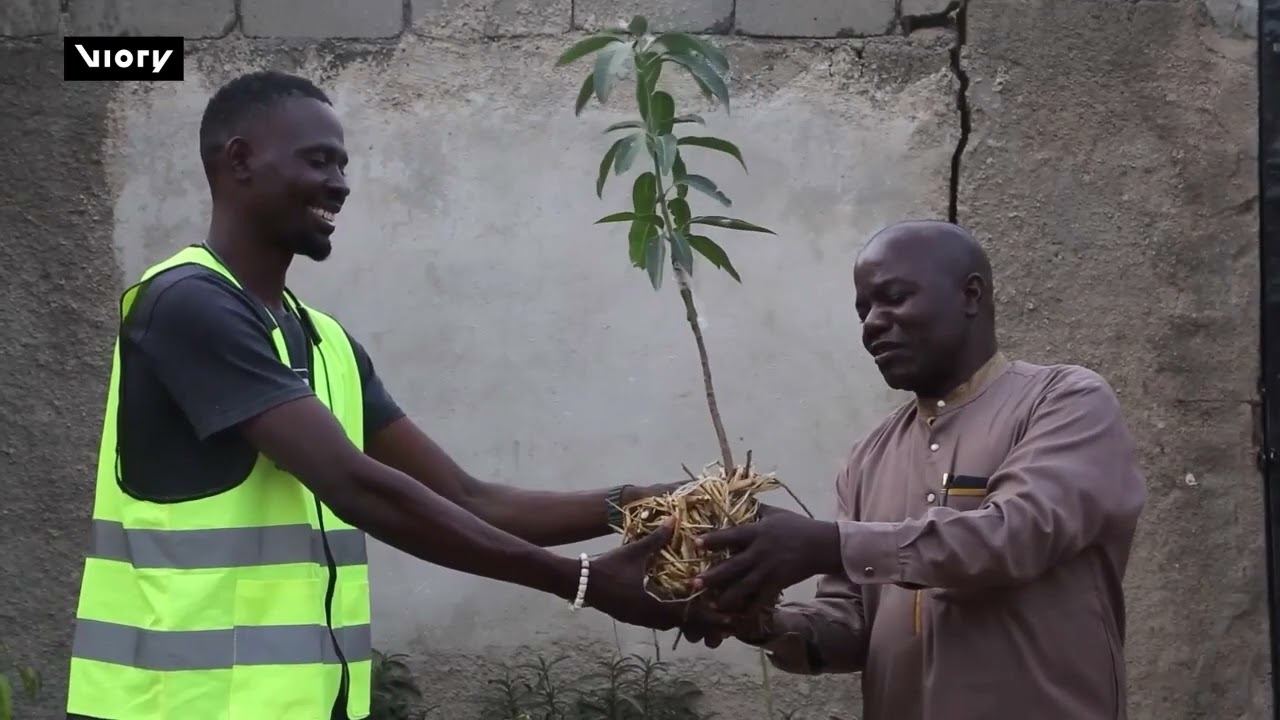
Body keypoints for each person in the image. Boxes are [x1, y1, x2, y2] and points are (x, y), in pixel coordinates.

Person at [64, 70, 687, 720]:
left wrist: (642, 504)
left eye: (343, 164)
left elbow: (469, 499)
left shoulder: (325, 341)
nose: (340, 183)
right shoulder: (185, 304)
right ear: (240, 160)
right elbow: (353, 484)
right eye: (318, 160)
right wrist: (580, 580)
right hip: (174, 707)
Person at [680, 220, 1147, 720]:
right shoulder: (868, 456)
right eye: (863, 310)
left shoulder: (1064, 400)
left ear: (970, 295)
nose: (872, 324)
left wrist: (829, 544)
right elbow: (852, 620)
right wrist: (758, 622)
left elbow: (1018, 535)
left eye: (895, 298)